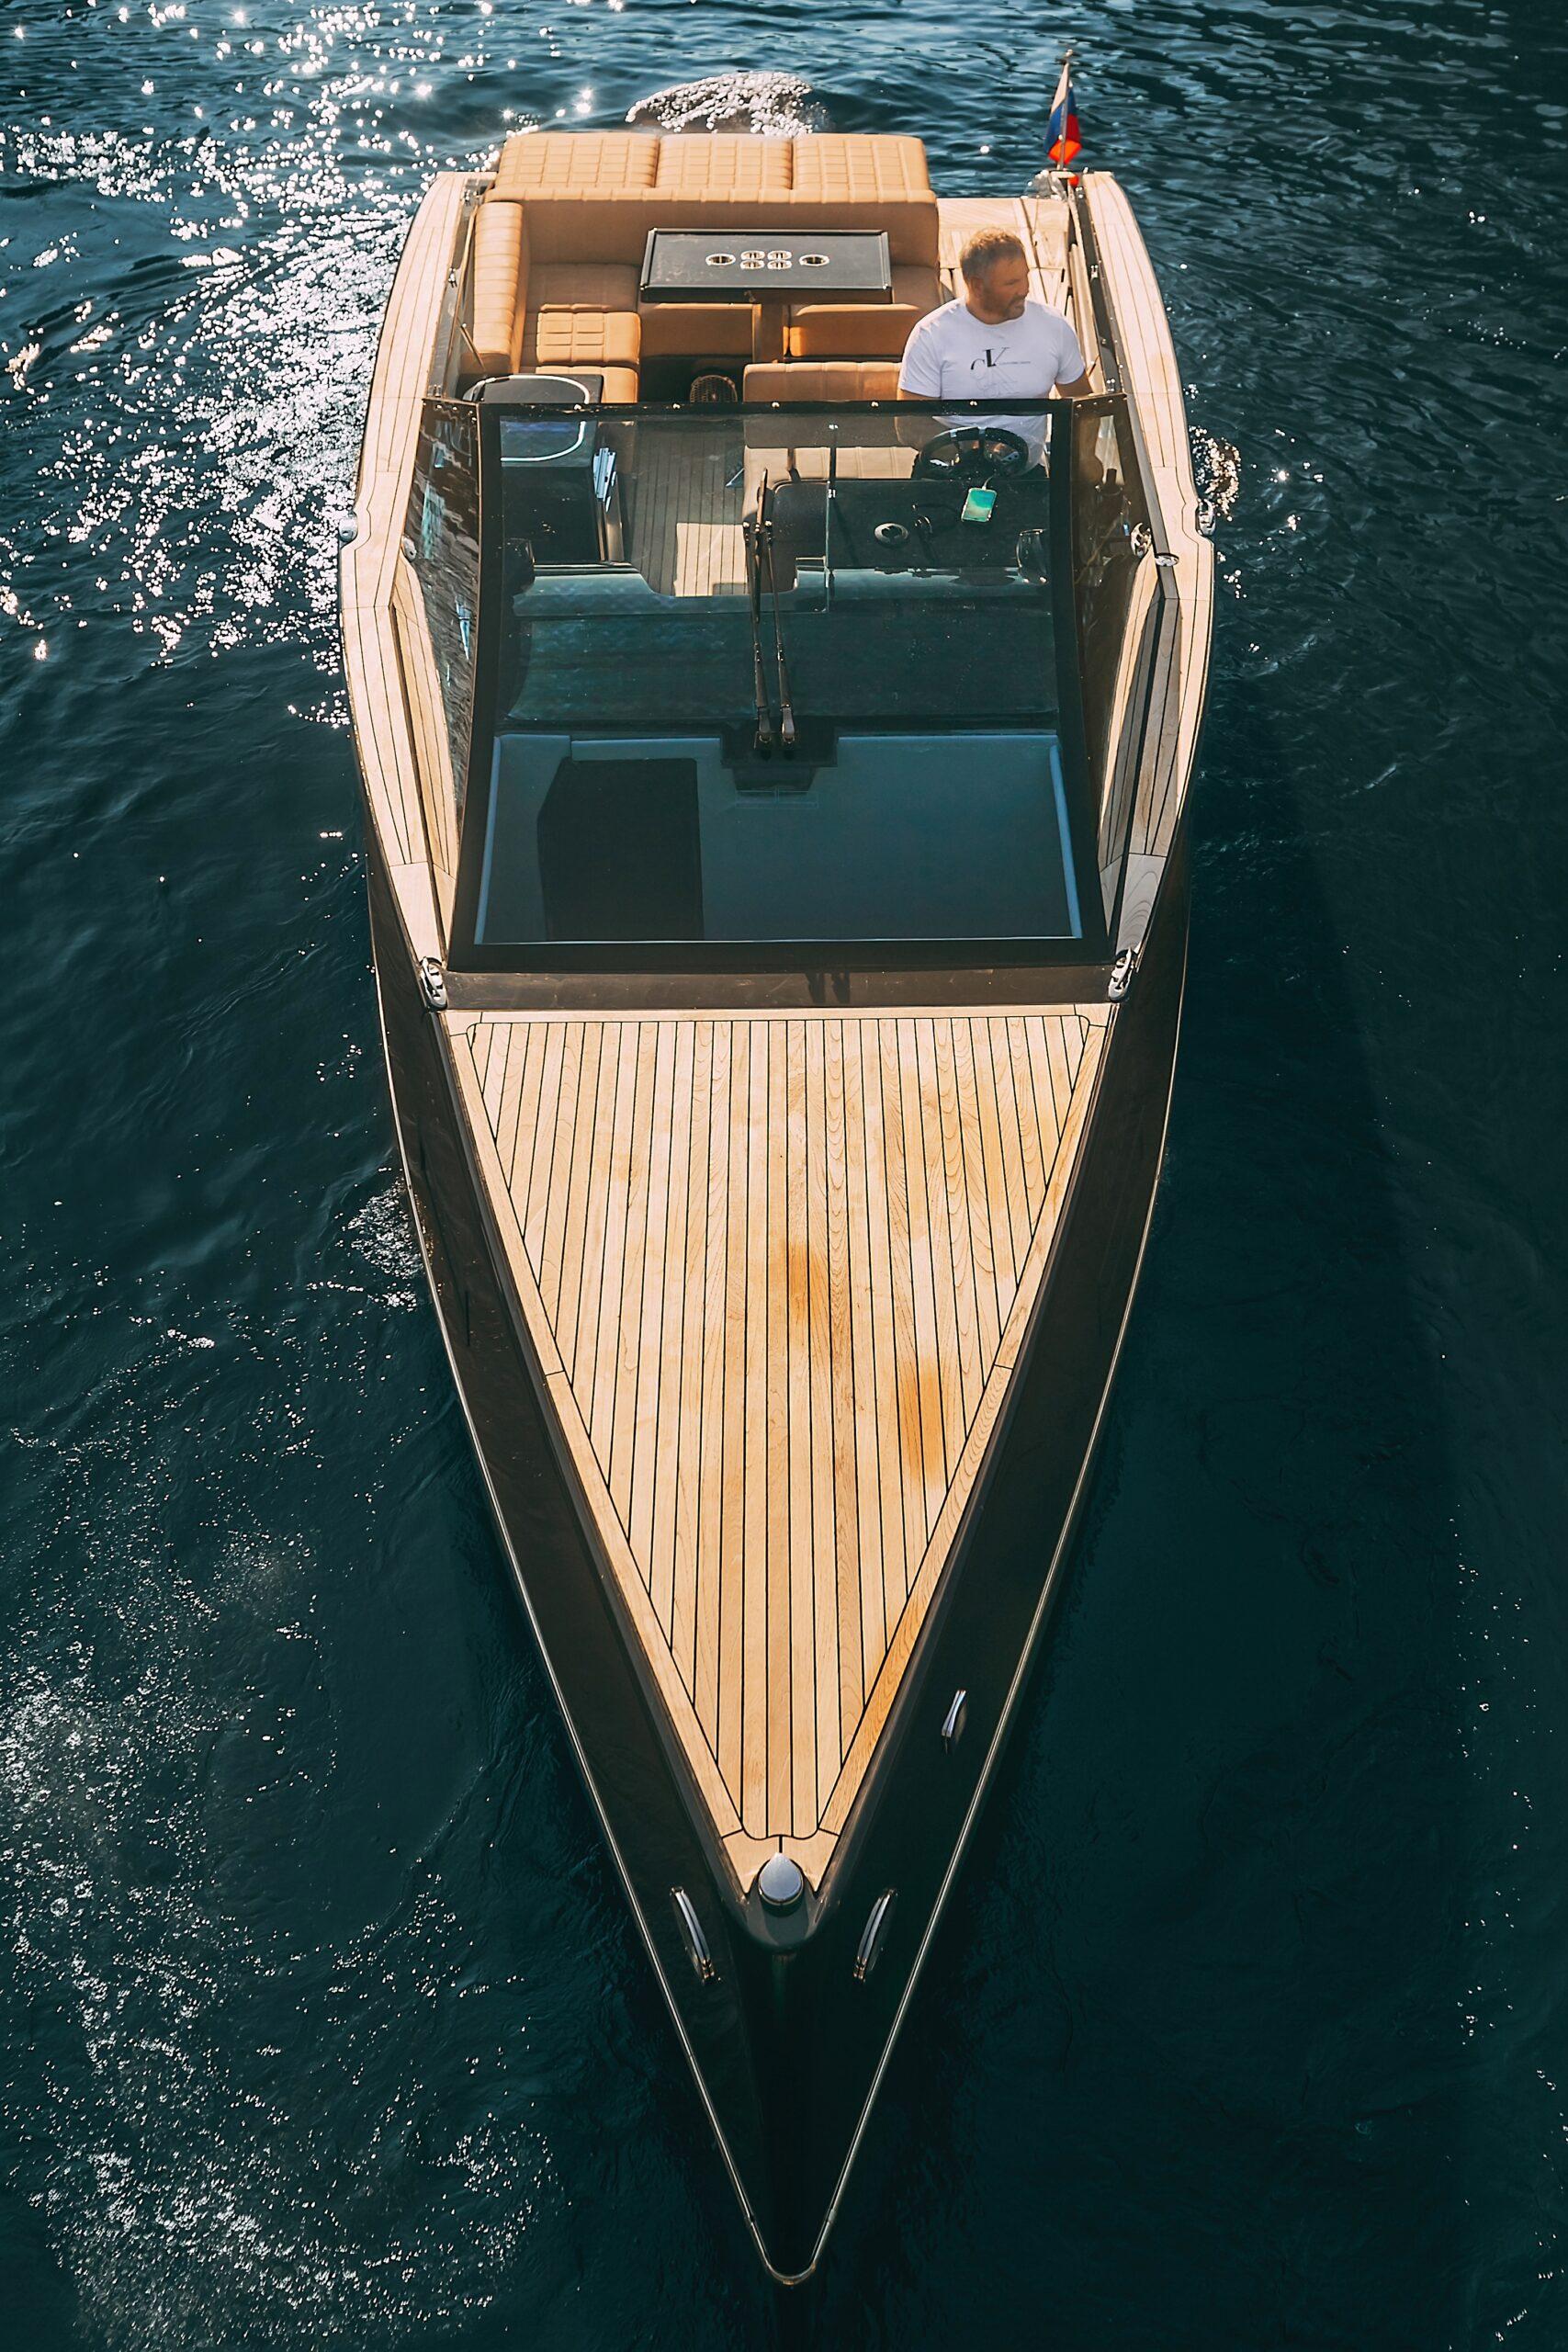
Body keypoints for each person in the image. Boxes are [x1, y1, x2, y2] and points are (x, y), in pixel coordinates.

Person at [897, 227, 1092, 462]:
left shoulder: (1054, 327)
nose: (1024, 289)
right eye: (1012, 283)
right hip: (946, 470)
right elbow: (910, 424)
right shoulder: (931, 335)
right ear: (977, 285)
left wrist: (1086, 459)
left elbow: (1084, 406)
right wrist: (978, 451)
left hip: (1026, 472)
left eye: (1025, 277)